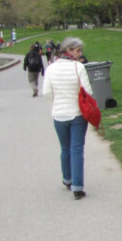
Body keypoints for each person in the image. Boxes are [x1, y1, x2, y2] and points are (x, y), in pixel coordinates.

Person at [42, 37, 93, 200]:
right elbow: (88, 92)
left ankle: (67, 179)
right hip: (77, 113)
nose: (80, 54)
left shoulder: (51, 69)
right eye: (78, 51)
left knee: (65, 148)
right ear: (68, 51)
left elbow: (47, 93)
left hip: (59, 114)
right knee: (76, 149)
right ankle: (78, 187)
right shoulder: (78, 68)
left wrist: (56, 102)